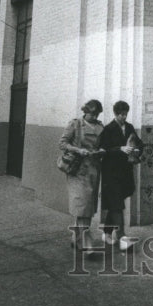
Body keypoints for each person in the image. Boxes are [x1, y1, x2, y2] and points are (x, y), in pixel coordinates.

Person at [59, 98, 105, 252]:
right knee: (82, 203)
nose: (95, 117)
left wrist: (103, 150)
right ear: (85, 112)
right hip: (77, 169)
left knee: (87, 205)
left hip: (93, 169)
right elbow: (62, 143)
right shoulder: (75, 124)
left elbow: (103, 144)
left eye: (97, 114)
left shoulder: (100, 126)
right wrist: (78, 150)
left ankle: (76, 238)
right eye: (92, 113)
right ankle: (86, 240)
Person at [99, 100, 143, 250]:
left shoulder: (129, 127)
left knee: (115, 203)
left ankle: (106, 231)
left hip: (125, 172)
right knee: (117, 204)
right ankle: (123, 237)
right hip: (111, 173)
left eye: (125, 114)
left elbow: (139, 143)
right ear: (115, 114)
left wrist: (137, 150)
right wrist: (120, 149)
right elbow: (103, 150)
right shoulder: (108, 129)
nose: (124, 117)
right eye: (121, 114)